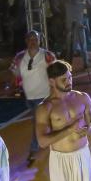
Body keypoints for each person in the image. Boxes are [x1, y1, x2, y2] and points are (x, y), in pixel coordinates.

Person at [35, 60, 91, 181]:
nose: (69, 81)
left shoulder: (82, 97)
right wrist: (69, 129)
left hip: (82, 155)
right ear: (52, 81)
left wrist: (89, 130)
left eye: (70, 77)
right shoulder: (45, 108)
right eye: (64, 79)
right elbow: (42, 141)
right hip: (60, 160)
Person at [10, 30, 56, 164]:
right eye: (30, 39)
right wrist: (15, 86)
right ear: (26, 41)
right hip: (29, 97)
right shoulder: (19, 57)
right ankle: (51, 140)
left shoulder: (47, 56)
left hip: (44, 96)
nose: (32, 41)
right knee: (44, 121)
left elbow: (56, 72)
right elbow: (14, 73)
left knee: (37, 122)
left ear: (39, 40)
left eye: (35, 39)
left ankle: (34, 149)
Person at [65, 0, 91, 68]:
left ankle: (85, 63)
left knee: (82, 47)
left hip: (79, 28)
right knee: (71, 48)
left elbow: (90, 5)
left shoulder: (79, 5)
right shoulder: (68, 5)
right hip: (71, 29)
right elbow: (66, 1)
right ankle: (68, 65)